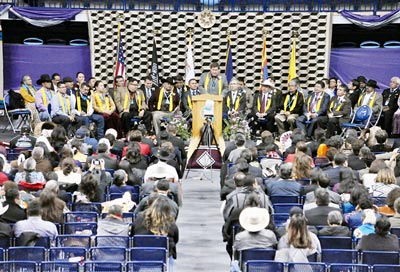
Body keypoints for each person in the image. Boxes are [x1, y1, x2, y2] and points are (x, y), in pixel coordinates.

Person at [131, 197, 179, 271]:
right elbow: (176, 239)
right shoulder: (171, 223)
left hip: (141, 254)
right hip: (162, 257)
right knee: (170, 251)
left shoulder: (140, 218)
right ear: (168, 210)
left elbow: (132, 234)